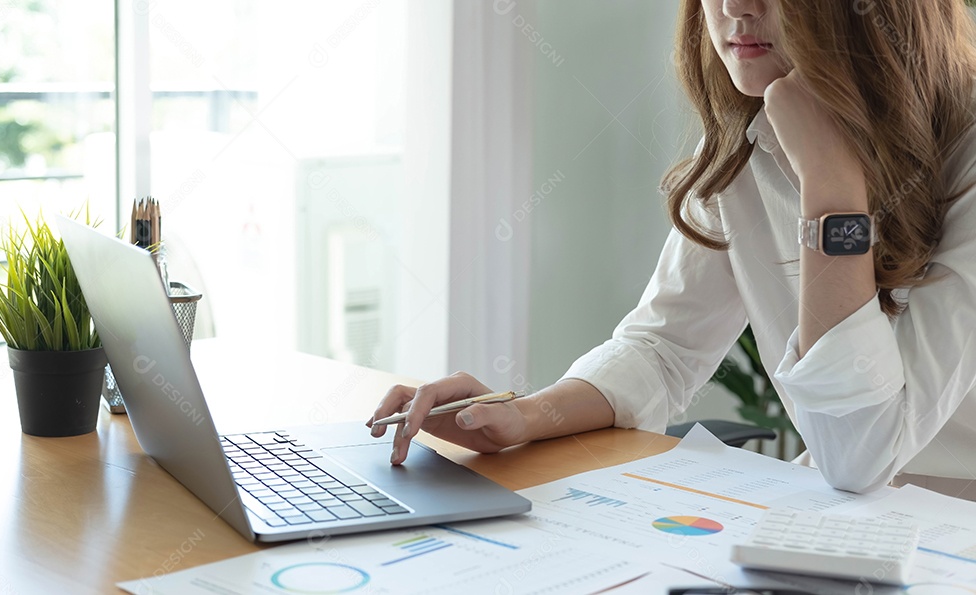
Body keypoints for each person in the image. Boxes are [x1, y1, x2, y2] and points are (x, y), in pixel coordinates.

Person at [368, 0, 976, 499]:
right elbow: (661, 349)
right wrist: (521, 416)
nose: (736, 7)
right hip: (840, 511)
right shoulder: (749, 145)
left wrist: (831, 186)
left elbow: (861, 455)